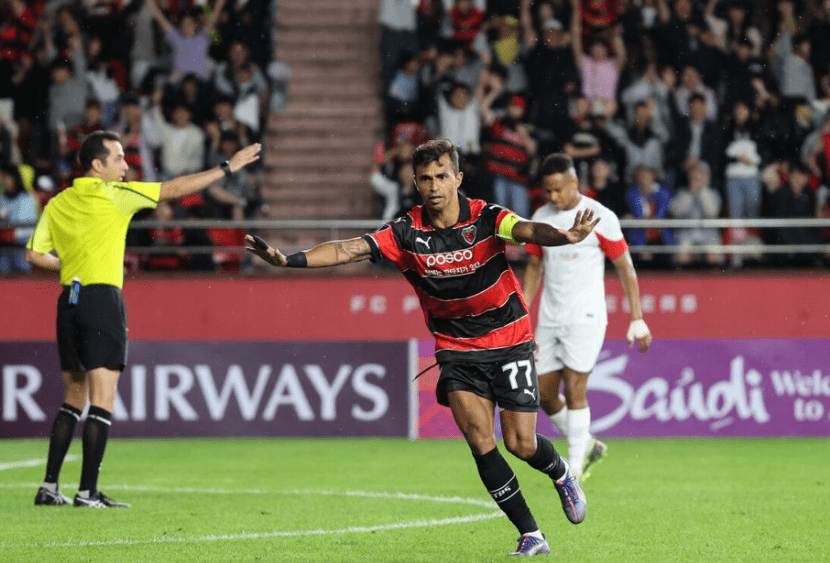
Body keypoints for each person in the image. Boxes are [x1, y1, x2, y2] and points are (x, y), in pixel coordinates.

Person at [246, 139, 593, 556]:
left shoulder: (485, 217)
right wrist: (289, 261)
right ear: (415, 182)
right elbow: (347, 249)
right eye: (425, 178)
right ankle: (531, 533)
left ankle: (560, 473)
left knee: (520, 443)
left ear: (457, 178)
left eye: (442, 176)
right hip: (456, 348)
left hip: (509, 338)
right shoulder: (405, 232)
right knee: (480, 441)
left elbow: (526, 230)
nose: (434, 186)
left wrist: (564, 236)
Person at [26, 131, 261, 508]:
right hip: (102, 298)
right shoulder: (116, 196)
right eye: (118, 158)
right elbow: (174, 189)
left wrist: (71, 266)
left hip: (69, 300)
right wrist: (226, 167)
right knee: (102, 399)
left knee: (72, 399)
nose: (125, 165)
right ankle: (87, 492)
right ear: (97, 165)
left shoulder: (58, 202)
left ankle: (49, 486)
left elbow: (34, 255)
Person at [521, 153, 651, 483]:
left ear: (575, 183)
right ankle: (588, 443)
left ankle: (574, 470)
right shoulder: (541, 215)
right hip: (550, 318)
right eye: (548, 191)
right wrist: (523, 309)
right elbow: (534, 266)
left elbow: (625, 266)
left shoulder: (601, 218)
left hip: (587, 316)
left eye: (558, 190)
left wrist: (637, 317)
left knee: (576, 388)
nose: (553, 197)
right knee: (542, 394)